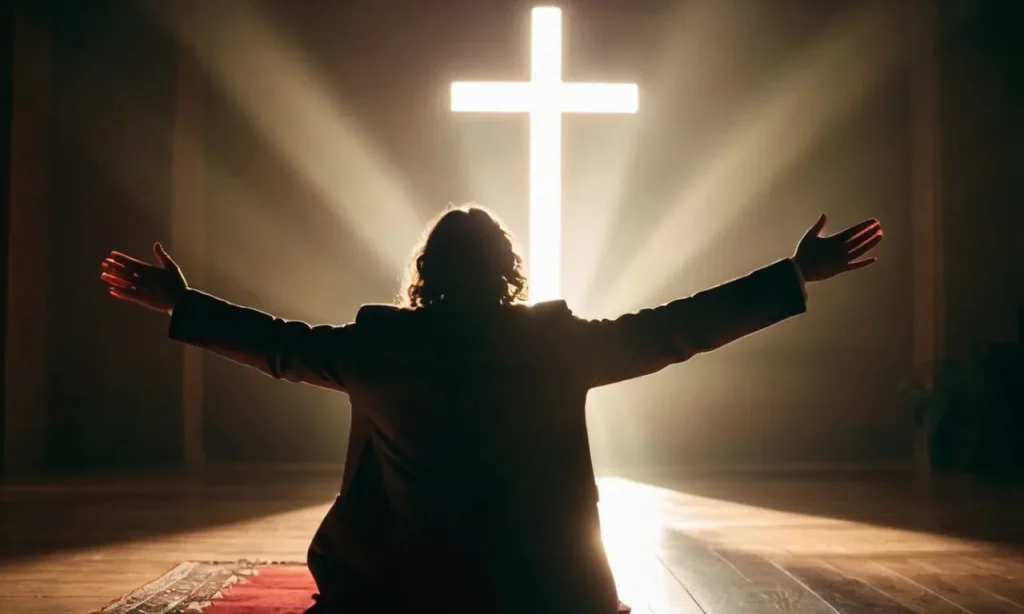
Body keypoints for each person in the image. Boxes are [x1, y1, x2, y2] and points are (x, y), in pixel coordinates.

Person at [100, 206, 883, 613]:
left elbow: (274, 344)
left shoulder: (377, 343)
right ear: (508, 272)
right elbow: (679, 330)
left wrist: (184, 303)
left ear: (425, 272)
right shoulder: (555, 342)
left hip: (396, 595)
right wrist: (793, 276)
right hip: (543, 594)